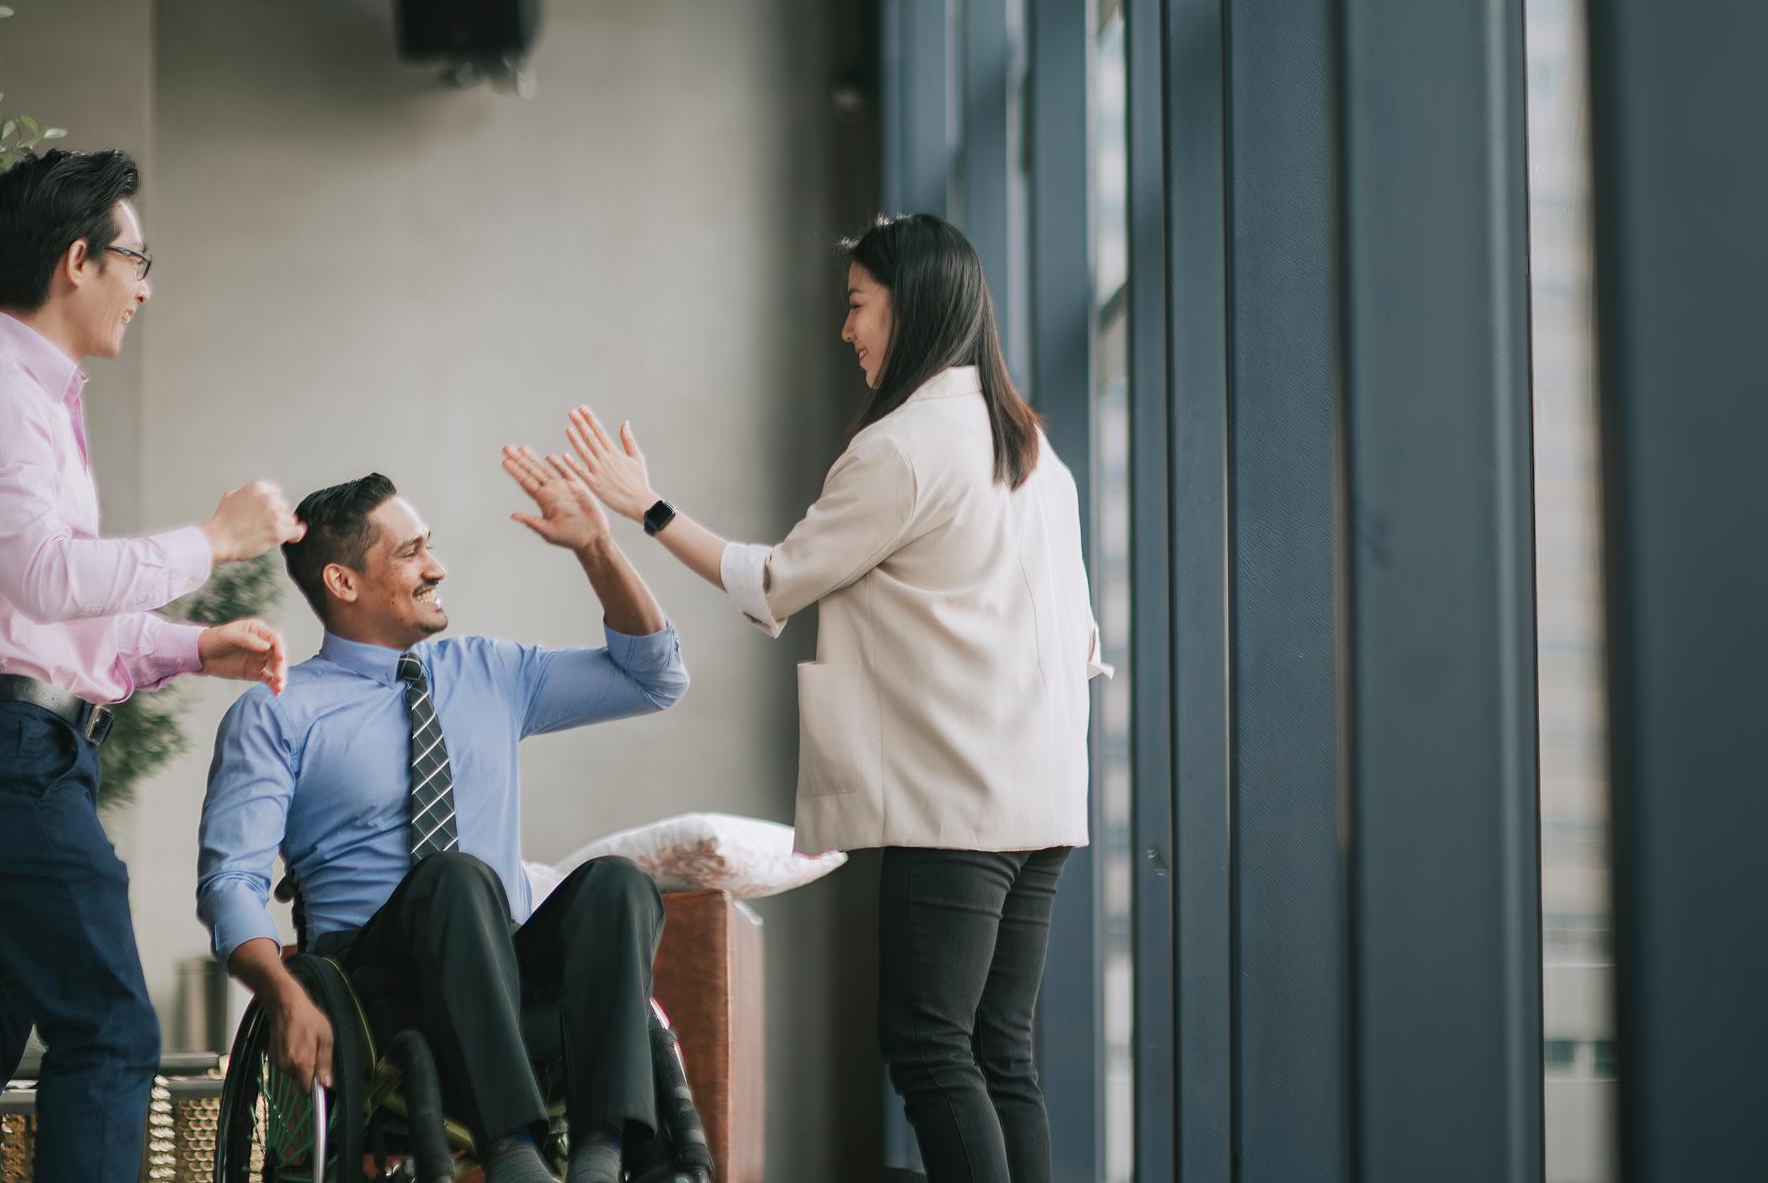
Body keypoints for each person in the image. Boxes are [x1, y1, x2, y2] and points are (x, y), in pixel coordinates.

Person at [558, 213, 1109, 1183]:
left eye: (857, 304)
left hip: (955, 797)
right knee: (1001, 1053)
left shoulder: (901, 448)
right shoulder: (1033, 453)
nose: (845, 328)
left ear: (912, 304)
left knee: (932, 1046)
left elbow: (772, 580)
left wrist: (646, 506)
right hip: (1043, 793)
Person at [0, 149, 307, 1183]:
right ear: (78, 260)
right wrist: (214, 539)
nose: (145, 285)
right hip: (4, 756)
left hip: (21, 749)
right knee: (111, 1025)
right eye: (136, 258)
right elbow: (44, 575)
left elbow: (47, 619)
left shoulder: (38, 403)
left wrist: (193, 645)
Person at [196, 458, 689, 1183]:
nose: (438, 567)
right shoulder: (277, 710)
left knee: (619, 885)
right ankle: (515, 1158)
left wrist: (596, 547)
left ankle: (599, 1157)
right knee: (455, 880)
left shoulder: (490, 671)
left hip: (505, 960)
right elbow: (232, 879)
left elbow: (656, 678)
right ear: (343, 582)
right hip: (376, 975)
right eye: (411, 551)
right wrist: (283, 994)